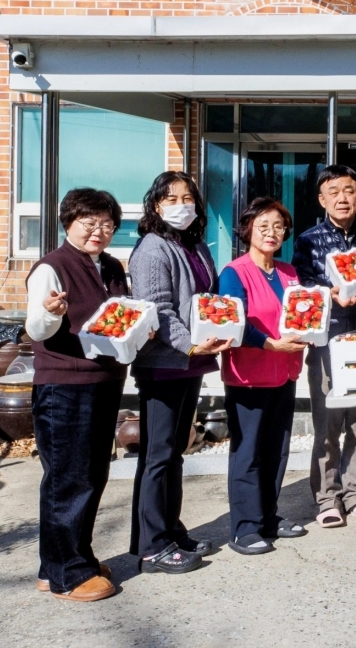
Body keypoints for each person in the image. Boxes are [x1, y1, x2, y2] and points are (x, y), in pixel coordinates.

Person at [26, 188, 129, 601]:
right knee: (68, 479)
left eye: (107, 224)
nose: (98, 231)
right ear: (68, 222)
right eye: (89, 223)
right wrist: (50, 312)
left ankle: (63, 560)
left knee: (91, 475)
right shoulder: (51, 267)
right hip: (64, 386)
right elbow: (37, 328)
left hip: (104, 380)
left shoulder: (111, 266)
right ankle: (68, 574)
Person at [128, 171, 229, 574]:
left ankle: (171, 529)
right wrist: (189, 343)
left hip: (191, 361)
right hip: (164, 363)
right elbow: (158, 309)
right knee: (157, 455)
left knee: (175, 453)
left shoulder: (195, 245)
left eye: (187, 198)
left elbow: (206, 299)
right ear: (155, 205)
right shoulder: (152, 249)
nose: (181, 205)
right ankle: (151, 546)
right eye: (171, 199)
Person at [293, 165, 356, 528]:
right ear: (322, 199)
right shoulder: (308, 240)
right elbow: (301, 287)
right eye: (334, 192)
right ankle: (327, 497)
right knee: (327, 420)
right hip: (327, 342)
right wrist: (328, 294)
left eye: (349, 190)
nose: (342, 198)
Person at [217, 198, 309, 555]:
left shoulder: (288, 272)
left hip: (285, 371)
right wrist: (271, 344)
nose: (272, 233)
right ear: (248, 230)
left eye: (279, 226)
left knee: (276, 450)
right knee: (248, 452)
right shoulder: (234, 272)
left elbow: (301, 313)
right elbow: (234, 321)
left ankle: (268, 517)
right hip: (250, 374)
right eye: (263, 226)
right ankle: (244, 527)